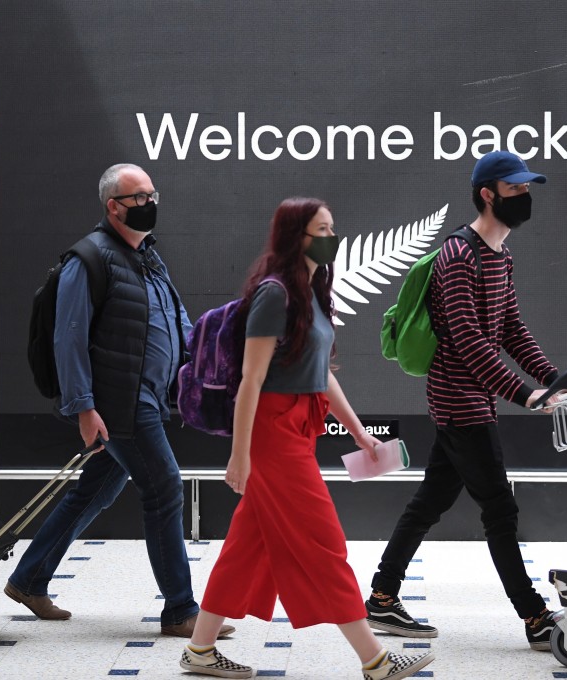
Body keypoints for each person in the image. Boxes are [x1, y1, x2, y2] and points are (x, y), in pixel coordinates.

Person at [177, 198, 433, 680]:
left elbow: (321, 376)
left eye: (333, 227)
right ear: (296, 235)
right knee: (323, 540)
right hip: (272, 433)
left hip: (297, 427)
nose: (331, 236)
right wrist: (239, 456)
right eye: (322, 228)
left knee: (246, 546)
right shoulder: (275, 294)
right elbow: (251, 380)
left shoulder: (313, 291)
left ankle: (199, 650)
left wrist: (359, 433)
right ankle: (375, 659)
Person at [4, 163, 234, 639]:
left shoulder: (147, 255)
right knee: (165, 487)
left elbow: (176, 318)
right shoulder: (87, 260)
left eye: (153, 195)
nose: (150, 205)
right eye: (139, 198)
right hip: (119, 402)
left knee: (95, 490)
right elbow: (68, 341)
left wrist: (204, 358)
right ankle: (180, 611)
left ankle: (29, 579)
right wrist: (84, 407)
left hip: (147, 395)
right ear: (113, 206)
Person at [365, 150, 567, 650]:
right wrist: (525, 393)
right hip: (459, 401)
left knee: (431, 500)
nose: (524, 197)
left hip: (475, 399)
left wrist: (555, 378)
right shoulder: (459, 256)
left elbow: (510, 329)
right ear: (487, 194)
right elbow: (469, 340)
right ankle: (535, 616)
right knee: (499, 509)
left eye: (526, 189)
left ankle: (382, 596)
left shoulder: (501, 255)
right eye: (515, 189)